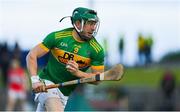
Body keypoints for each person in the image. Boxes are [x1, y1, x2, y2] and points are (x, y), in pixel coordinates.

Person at [26, 7, 104, 111]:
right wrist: (35, 80)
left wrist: (78, 73)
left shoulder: (96, 50)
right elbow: (31, 55)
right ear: (77, 23)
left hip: (64, 94)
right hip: (47, 84)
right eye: (90, 23)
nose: (93, 28)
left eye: (94, 24)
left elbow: (97, 79)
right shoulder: (57, 37)